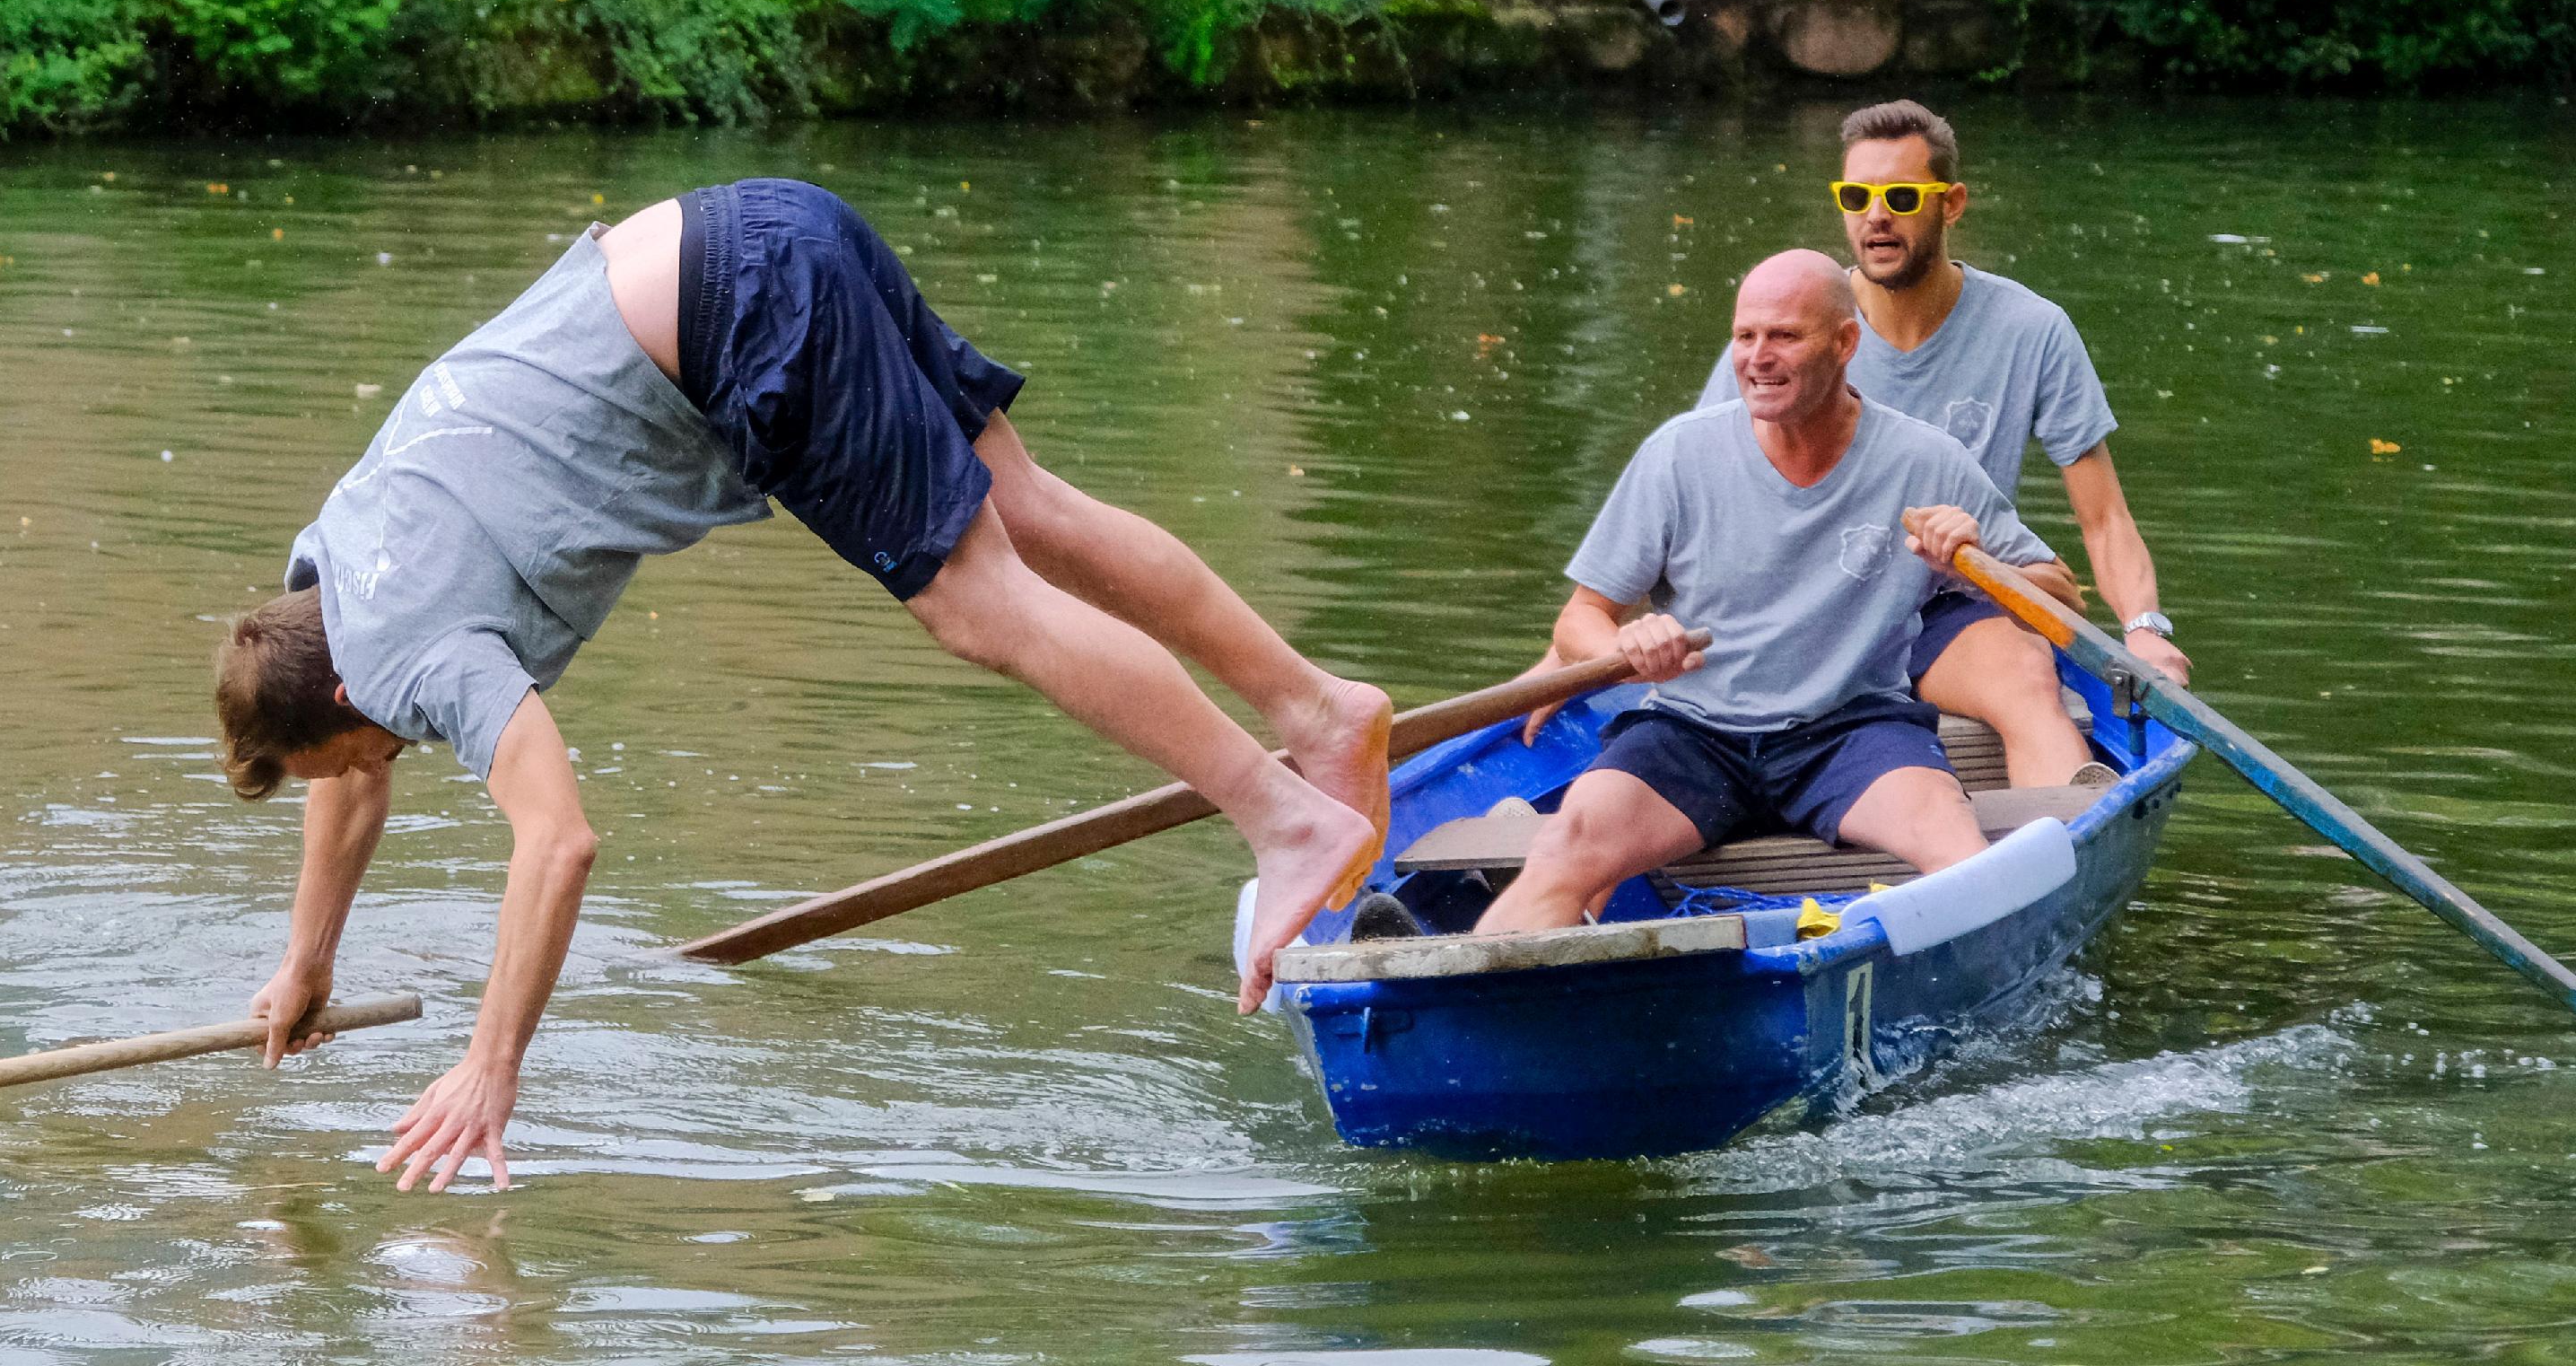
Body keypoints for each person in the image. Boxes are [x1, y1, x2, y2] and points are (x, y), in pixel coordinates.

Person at [212, 180, 1391, 1193]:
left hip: (739, 313)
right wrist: (307, 963)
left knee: (980, 603)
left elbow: (556, 840)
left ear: (348, 700)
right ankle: (1318, 712)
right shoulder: (330, 575)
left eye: (353, 751)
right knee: (1032, 516)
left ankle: (1280, 814)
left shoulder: (414, 650)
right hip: (755, 230)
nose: (370, 771)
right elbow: (345, 779)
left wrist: (489, 1067)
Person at [1477, 250, 2066, 936]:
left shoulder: (1926, 460)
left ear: (1846, 344)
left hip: (1849, 731)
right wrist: (1626, 645)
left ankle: (1996, 952)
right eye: (1745, 336)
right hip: (1694, 733)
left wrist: (1979, 563)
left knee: (1953, 838)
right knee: (1564, 846)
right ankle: (1440, 1001)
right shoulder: (1677, 455)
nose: (1759, 357)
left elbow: (2062, 599)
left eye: (1784, 336)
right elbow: (1581, 619)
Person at [1694, 101, 2193, 786]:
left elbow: (2103, 520)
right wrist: (1577, 642)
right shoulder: (1785, 332)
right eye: (1856, 197)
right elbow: (1691, 498)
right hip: (1805, 608)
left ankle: (2049, 850)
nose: (1876, 216)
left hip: (1945, 608)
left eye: (1901, 197)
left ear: (1951, 204)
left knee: (2027, 672)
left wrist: (2145, 630)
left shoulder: (2031, 330)